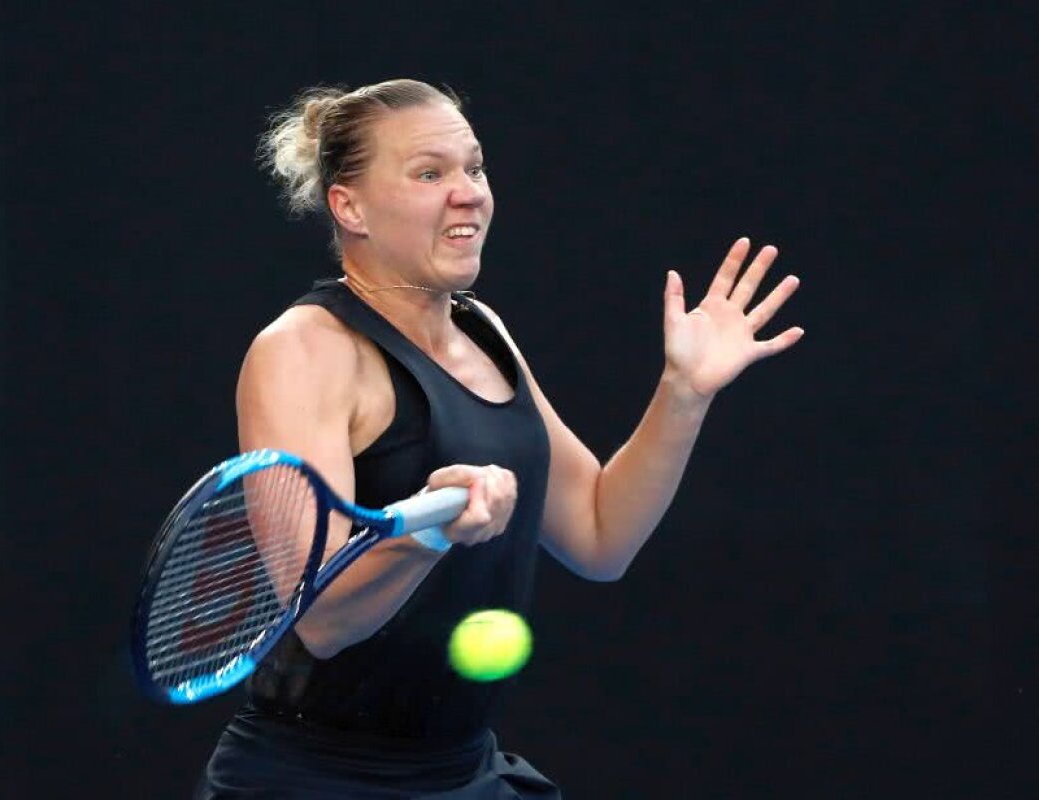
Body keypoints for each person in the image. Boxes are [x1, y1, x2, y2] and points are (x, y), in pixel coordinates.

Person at [193, 78, 803, 799]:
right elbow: (322, 619)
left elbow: (602, 537)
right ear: (348, 206)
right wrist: (427, 530)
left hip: (463, 773)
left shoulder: (483, 330)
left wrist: (684, 394)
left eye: (474, 168)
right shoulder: (302, 351)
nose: (470, 193)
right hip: (313, 781)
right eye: (430, 173)